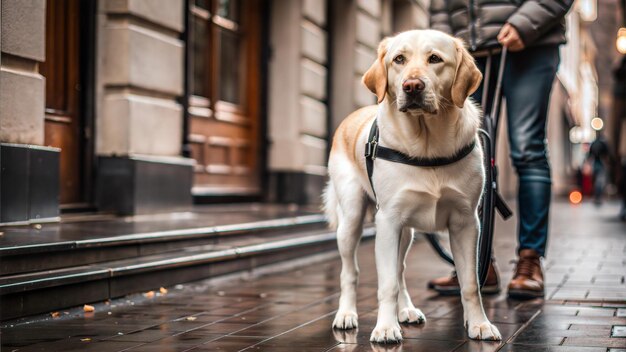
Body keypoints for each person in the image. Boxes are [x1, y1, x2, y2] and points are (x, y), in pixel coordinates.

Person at [428, 0, 574, 299]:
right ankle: (476, 264)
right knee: (467, 155)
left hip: (531, 44)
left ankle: (530, 261)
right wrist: (442, 47)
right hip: (467, 52)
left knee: (527, 149)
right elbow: (440, 6)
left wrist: (524, 23)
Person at [587, 132, 611, 205]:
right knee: (600, 181)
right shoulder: (603, 144)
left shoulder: (593, 143)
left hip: (595, 164)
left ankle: (596, 197)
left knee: (596, 181)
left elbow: (589, 155)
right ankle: (598, 197)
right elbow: (607, 154)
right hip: (601, 163)